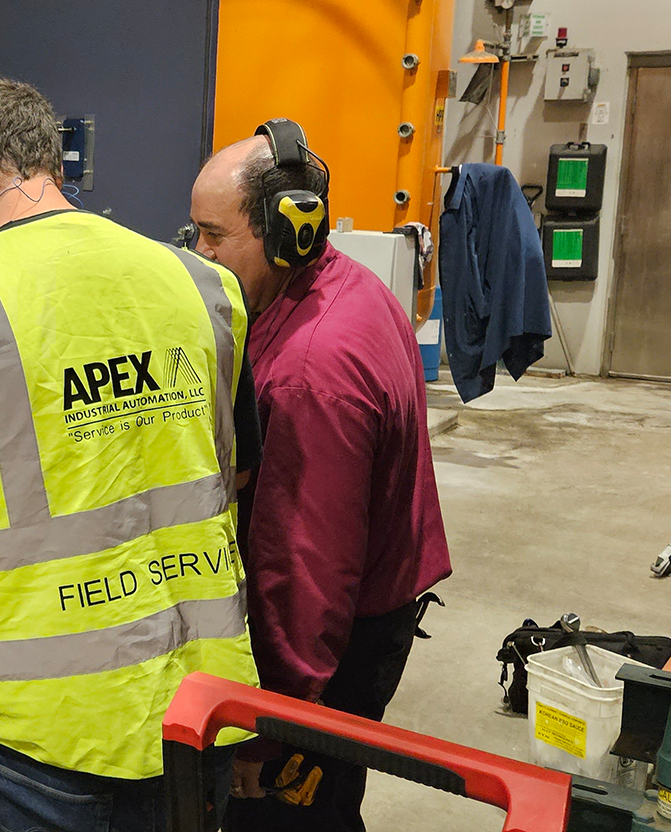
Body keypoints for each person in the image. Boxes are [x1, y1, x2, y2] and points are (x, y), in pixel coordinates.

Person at [0, 75, 262, 832]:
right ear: (52, 168)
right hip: (202, 709)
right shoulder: (206, 286)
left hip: (35, 738)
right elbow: (238, 472)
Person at [186, 119, 452, 831]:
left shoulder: (313, 369)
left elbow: (303, 573)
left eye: (213, 236)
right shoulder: (347, 288)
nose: (198, 253)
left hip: (328, 655)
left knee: (291, 818)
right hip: (371, 615)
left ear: (289, 232)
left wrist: (271, 734)